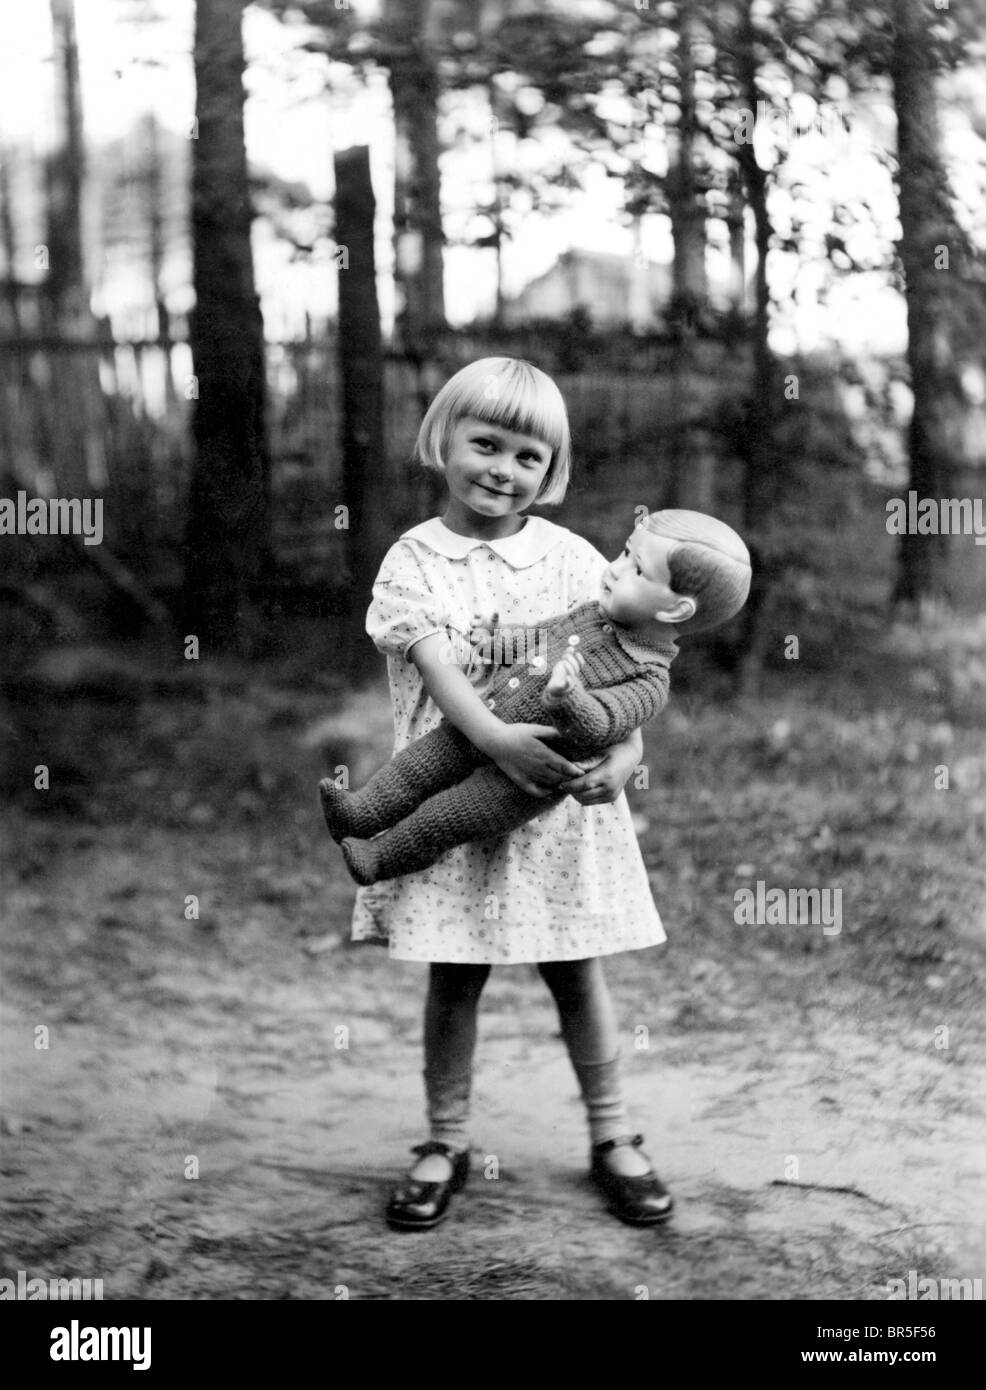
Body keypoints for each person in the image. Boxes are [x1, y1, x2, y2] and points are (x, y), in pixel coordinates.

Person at [342, 356, 721, 1231]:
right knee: (455, 974)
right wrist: (498, 741)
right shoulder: (414, 562)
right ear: (444, 439)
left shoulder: (575, 561)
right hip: (462, 790)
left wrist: (625, 753)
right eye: (486, 444)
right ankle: (444, 1141)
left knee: (574, 970)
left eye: (528, 458)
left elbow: (628, 665)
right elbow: (438, 670)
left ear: (550, 473)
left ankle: (614, 1134)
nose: (502, 470)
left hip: (557, 811)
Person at [320, 509, 750, 885]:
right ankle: (358, 813)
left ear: (675, 610)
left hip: (525, 779)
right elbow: (537, 639)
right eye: (623, 553)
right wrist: (493, 642)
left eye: (637, 569)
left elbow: (605, 722)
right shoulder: (592, 614)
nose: (615, 568)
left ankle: (379, 857)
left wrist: (569, 698)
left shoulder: (650, 679)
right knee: (416, 767)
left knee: (444, 818)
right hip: (481, 720)